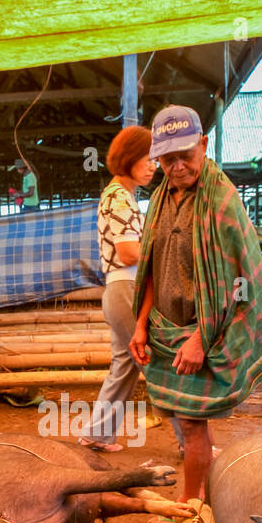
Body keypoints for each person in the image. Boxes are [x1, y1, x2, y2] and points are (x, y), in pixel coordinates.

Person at [128, 105, 262, 523]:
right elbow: (152, 267)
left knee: (192, 427)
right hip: (163, 328)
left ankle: (188, 506)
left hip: (204, 332)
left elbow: (241, 281)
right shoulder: (160, 198)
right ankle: (208, 498)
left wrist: (203, 339)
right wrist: (141, 323)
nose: (177, 167)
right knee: (185, 422)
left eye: (185, 155)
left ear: (204, 145)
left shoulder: (222, 201)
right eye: (167, 159)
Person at [80, 125, 163, 452]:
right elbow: (129, 252)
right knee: (154, 362)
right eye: (148, 159)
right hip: (127, 288)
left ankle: (97, 435)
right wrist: (163, 252)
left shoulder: (121, 195)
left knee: (126, 365)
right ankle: (191, 439)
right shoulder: (118, 197)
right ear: (129, 159)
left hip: (119, 290)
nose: (153, 166)